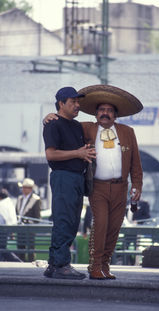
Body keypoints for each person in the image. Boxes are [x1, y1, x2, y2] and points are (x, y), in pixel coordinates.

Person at [44, 84, 143, 280]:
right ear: (96, 114)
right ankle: (91, 265)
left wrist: (137, 185)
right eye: (101, 110)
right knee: (98, 225)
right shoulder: (85, 127)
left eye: (109, 111)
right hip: (95, 186)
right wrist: (47, 116)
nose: (105, 114)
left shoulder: (126, 132)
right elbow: (57, 130)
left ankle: (103, 264)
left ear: (116, 115)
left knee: (112, 227)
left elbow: (135, 163)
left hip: (119, 186)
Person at [43, 86, 96, 280]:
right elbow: (50, 154)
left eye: (78, 101)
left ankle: (53, 264)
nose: (77, 105)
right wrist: (78, 153)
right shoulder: (53, 124)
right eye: (73, 102)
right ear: (61, 104)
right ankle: (61, 264)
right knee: (64, 220)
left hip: (76, 177)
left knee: (72, 221)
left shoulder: (76, 126)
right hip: (63, 176)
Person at [16, 178, 41, 262]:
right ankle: (20, 264)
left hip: (30, 228)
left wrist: (29, 222)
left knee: (30, 248)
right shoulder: (19, 198)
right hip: (20, 227)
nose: (23, 189)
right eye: (22, 187)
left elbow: (37, 217)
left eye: (24, 187)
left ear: (30, 189)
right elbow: (16, 212)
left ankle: (31, 264)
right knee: (20, 248)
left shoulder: (36, 199)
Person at [0, 188, 22, 262]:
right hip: (8, 230)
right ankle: (17, 261)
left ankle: (17, 261)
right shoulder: (9, 203)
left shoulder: (2, 204)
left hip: (2, 230)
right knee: (2, 248)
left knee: (2, 248)